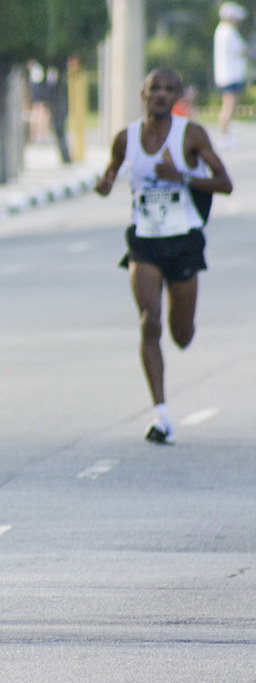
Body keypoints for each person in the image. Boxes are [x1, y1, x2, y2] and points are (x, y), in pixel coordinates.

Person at [94, 68, 232, 445]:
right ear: (143, 92)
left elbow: (225, 183)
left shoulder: (191, 135)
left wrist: (181, 177)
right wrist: (103, 184)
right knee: (148, 321)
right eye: (155, 87)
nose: (161, 94)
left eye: (169, 89)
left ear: (176, 97)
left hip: (184, 241)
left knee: (181, 334)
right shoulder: (126, 139)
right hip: (145, 242)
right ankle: (161, 414)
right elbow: (109, 177)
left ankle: (181, 322)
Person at [213, 1, 249, 147]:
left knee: (228, 105)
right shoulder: (228, 31)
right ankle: (224, 136)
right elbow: (242, 50)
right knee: (228, 106)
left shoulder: (222, 30)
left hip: (226, 74)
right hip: (229, 75)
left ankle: (226, 132)